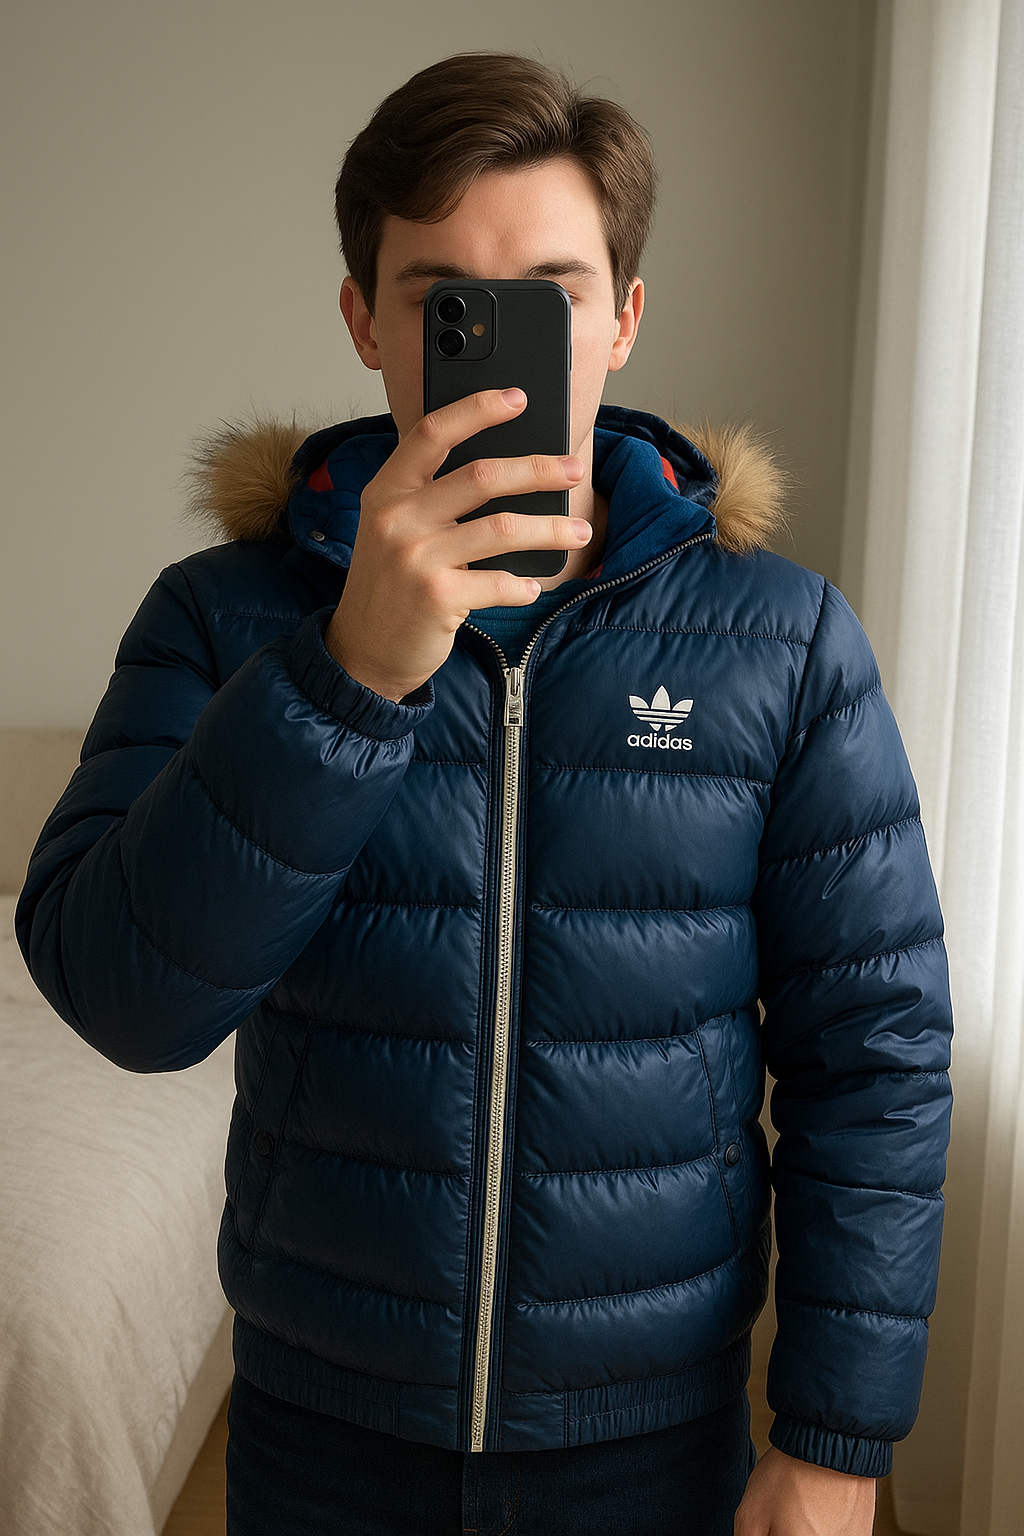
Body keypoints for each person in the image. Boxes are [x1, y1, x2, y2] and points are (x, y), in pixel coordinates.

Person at [16, 52, 953, 1536]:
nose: (507, 353)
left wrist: (836, 1436)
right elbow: (126, 1000)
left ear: (624, 320)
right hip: (328, 1425)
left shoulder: (780, 640)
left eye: (554, 295)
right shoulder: (223, 616)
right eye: (448, 302)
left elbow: (875, 1051)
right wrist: (349, 677)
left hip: (653, 1435)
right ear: (366, 322)